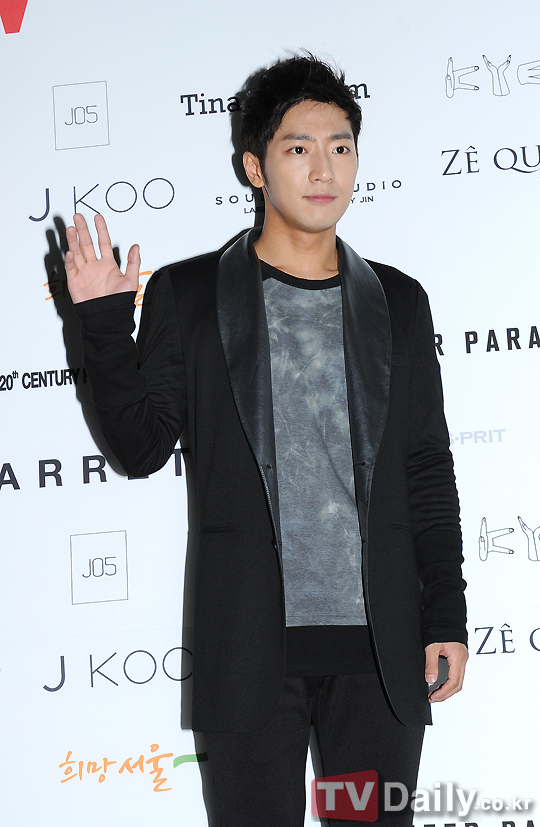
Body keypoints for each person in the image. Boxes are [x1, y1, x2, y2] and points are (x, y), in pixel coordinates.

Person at [66, 55, 468, 827]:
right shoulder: (191, 295)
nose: (324, 169)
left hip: (379, 659)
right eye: (298, 148)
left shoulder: (400, 302)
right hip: (249, 649)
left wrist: (444, 614)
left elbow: (426, 469)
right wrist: (105, 327)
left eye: (341, 147)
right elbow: (140, 448)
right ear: (254, 166)